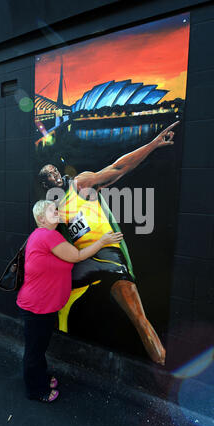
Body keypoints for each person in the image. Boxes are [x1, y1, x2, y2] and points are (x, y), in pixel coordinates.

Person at [38, 121, 179, 366]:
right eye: (48, 174)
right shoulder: (55, 212)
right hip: (85, 261)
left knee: (138, 318)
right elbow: (46, 243)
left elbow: (118, 167)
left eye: (54, 170)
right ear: (45, 185)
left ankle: (163, 365)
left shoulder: (80, 184)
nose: (54, 174)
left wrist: (153, 145)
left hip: (108, 253)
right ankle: (49, 341)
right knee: (59, 298)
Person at [17, 199, 123, 403]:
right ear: (41, 219)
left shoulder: (44, 235)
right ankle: (35, 390)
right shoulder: (48, 235)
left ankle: (41, 378)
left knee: (39, 348)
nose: (56, 212)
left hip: (42, 307)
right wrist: (103, 241)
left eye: (56, 209)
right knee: (34, 351)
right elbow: (78, 255)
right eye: (51, 210)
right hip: (36, 308)